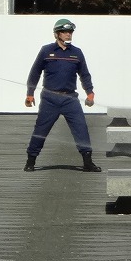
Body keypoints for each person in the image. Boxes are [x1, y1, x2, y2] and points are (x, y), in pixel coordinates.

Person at [23, 19, 102, 173]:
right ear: (57, 34)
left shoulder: (77, 53)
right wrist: (30, 94)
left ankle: (88, 162)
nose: (68, 34)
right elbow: (34, 73)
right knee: (41, 130)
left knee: (81, 129)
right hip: (49, 99)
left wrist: (90, 93)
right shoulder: (46, 51)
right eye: (65, 32)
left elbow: (84, 74)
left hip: (70, 99)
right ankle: (30, 161)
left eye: (70, 32)